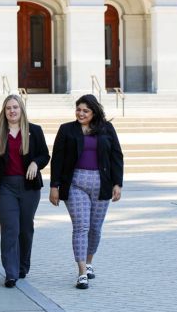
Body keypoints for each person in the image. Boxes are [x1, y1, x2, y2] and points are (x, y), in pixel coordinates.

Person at [49, 94, 123, 290]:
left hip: (101, 184)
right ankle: (81, 272)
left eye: (85, 111)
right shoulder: (67, 130)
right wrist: (54, 186)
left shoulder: (106, 129)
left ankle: (89, 262)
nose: (80, 113)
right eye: (78, 110)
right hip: (75, 184)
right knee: (81, 226)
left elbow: (116, 155)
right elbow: (57, 158)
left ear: (94, 112)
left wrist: (118, 183)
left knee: (95, 228)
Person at [0, 95, 50, 288]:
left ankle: (22, 266)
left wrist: (36, 163)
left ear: (21, 109)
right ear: (4, 112)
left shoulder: (34, 131)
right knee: (10, 228)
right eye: (8, 108)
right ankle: (10, 273)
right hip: (5, 188)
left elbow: (45, 154)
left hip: (29, 187)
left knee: (25, 229)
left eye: (15, 107)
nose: (12, 111)